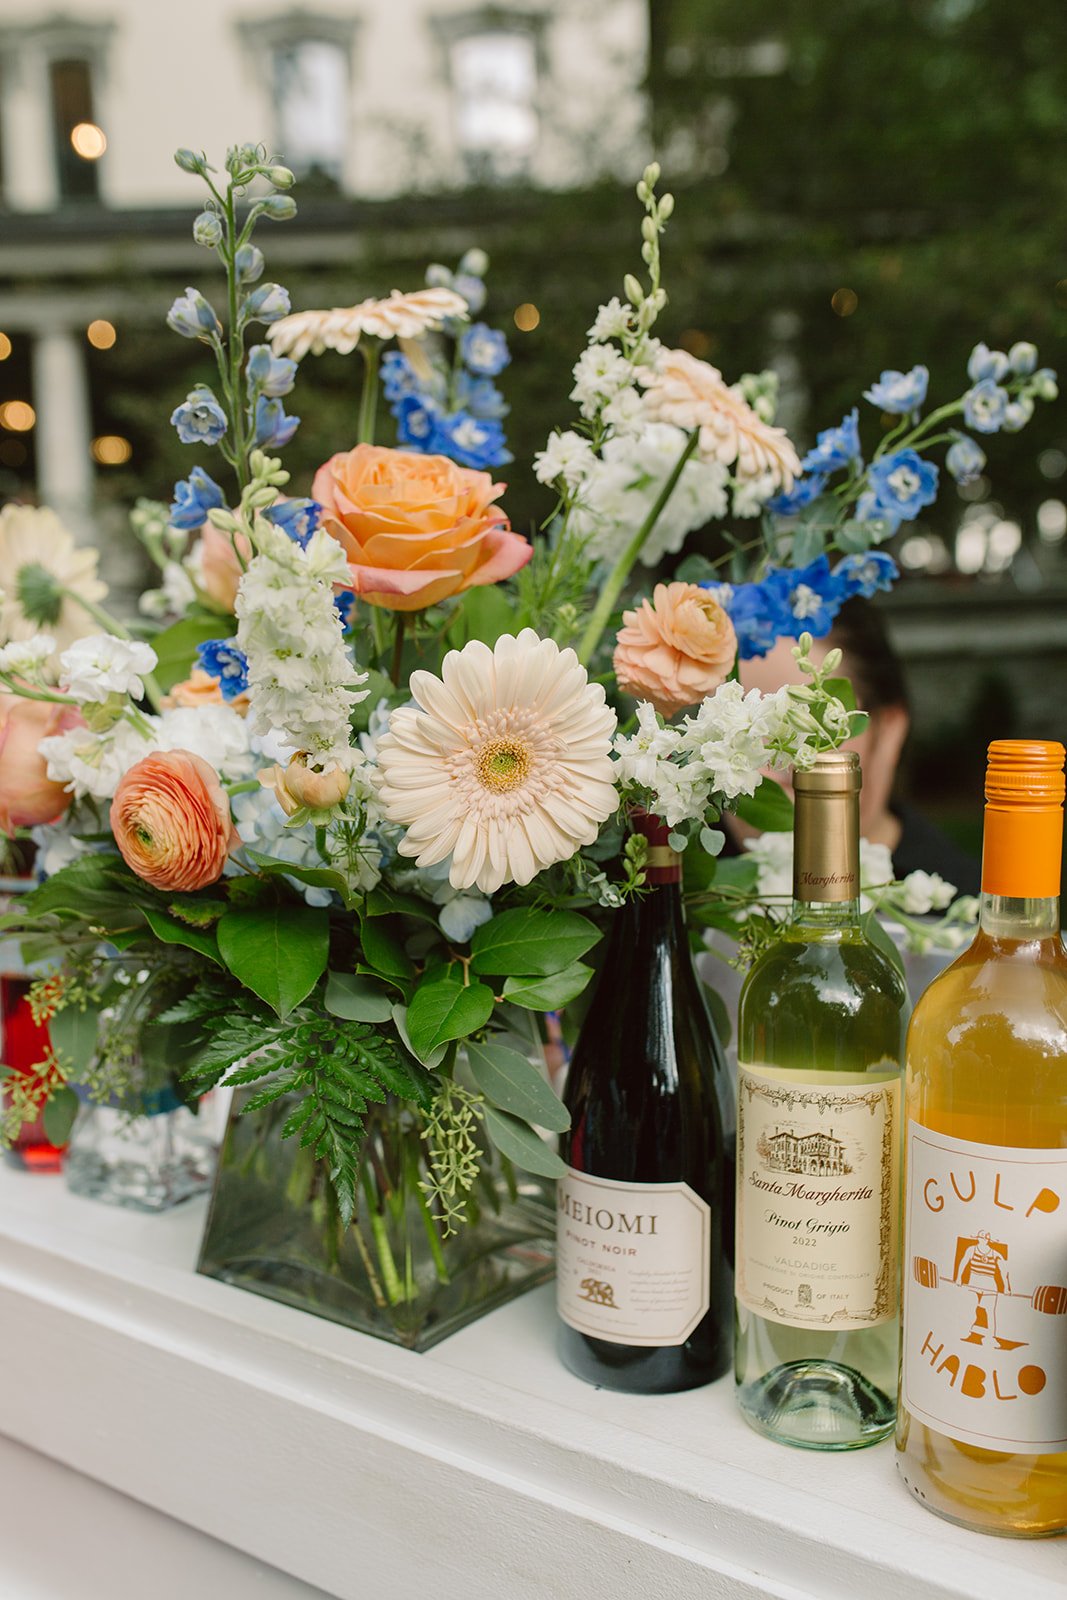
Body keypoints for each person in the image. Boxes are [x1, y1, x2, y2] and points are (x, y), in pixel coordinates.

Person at [736, 597, 981, 896]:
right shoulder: (681, 895)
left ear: (889, 731)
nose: (763, 775)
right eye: (737, 734)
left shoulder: (963, 910)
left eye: (802, 730)